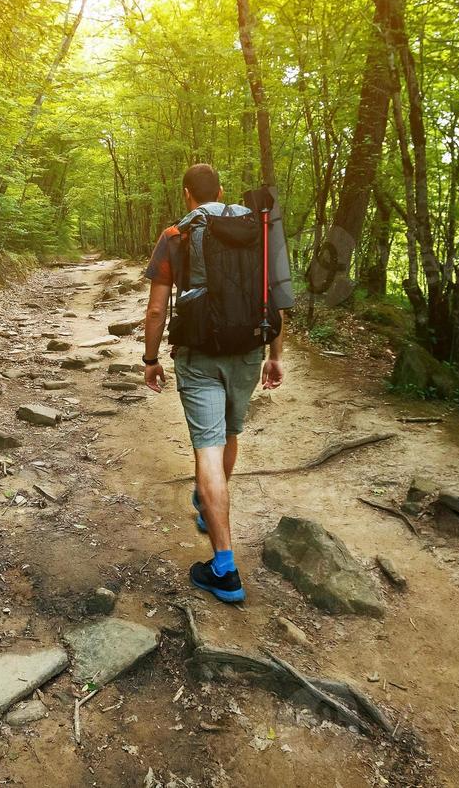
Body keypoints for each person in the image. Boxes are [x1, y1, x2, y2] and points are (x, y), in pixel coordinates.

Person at [141, 163, 285, 603]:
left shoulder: (175, 235)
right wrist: (275, 355)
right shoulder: (255, 226)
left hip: (199, 353)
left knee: (207, 446)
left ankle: (223, 566)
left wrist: (150, 360)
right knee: (229, 433)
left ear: (188, 194)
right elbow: (274, 294)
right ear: (221, 191)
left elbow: (155, 310)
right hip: (247, 349)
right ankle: (211, 504)